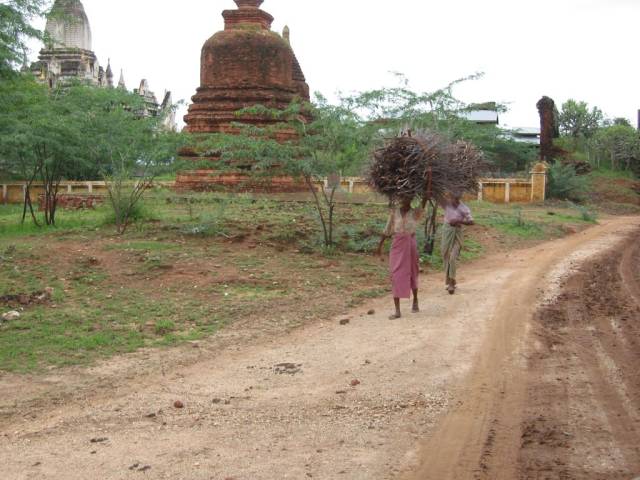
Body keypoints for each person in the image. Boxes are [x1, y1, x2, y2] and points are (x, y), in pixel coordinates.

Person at [376, 195, 427, 319]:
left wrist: (429, 182)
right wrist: (379, 247)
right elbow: (387, 230)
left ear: (411, 199)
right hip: (397, 245)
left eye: (408, 198)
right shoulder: (394, 213)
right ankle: (397, 310)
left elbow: (425, 199)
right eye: (403, 198)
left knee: (412, 272)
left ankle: (415, 300)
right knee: (396, 274)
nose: (405, 200)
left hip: (410, 245)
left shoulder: (415, 213)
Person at [441, 193, 474, 295]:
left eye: (456, 197)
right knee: (445, 255)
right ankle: (450, 280)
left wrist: (459, 221)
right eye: (452, 197)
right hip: (446, 232)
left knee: (452, 257)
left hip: (457, 234)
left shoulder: (464, 208)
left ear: (459, 197)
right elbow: (434, 195)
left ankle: (451, 283)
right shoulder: (446, 204)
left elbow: (472, 222)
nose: (454, 199)